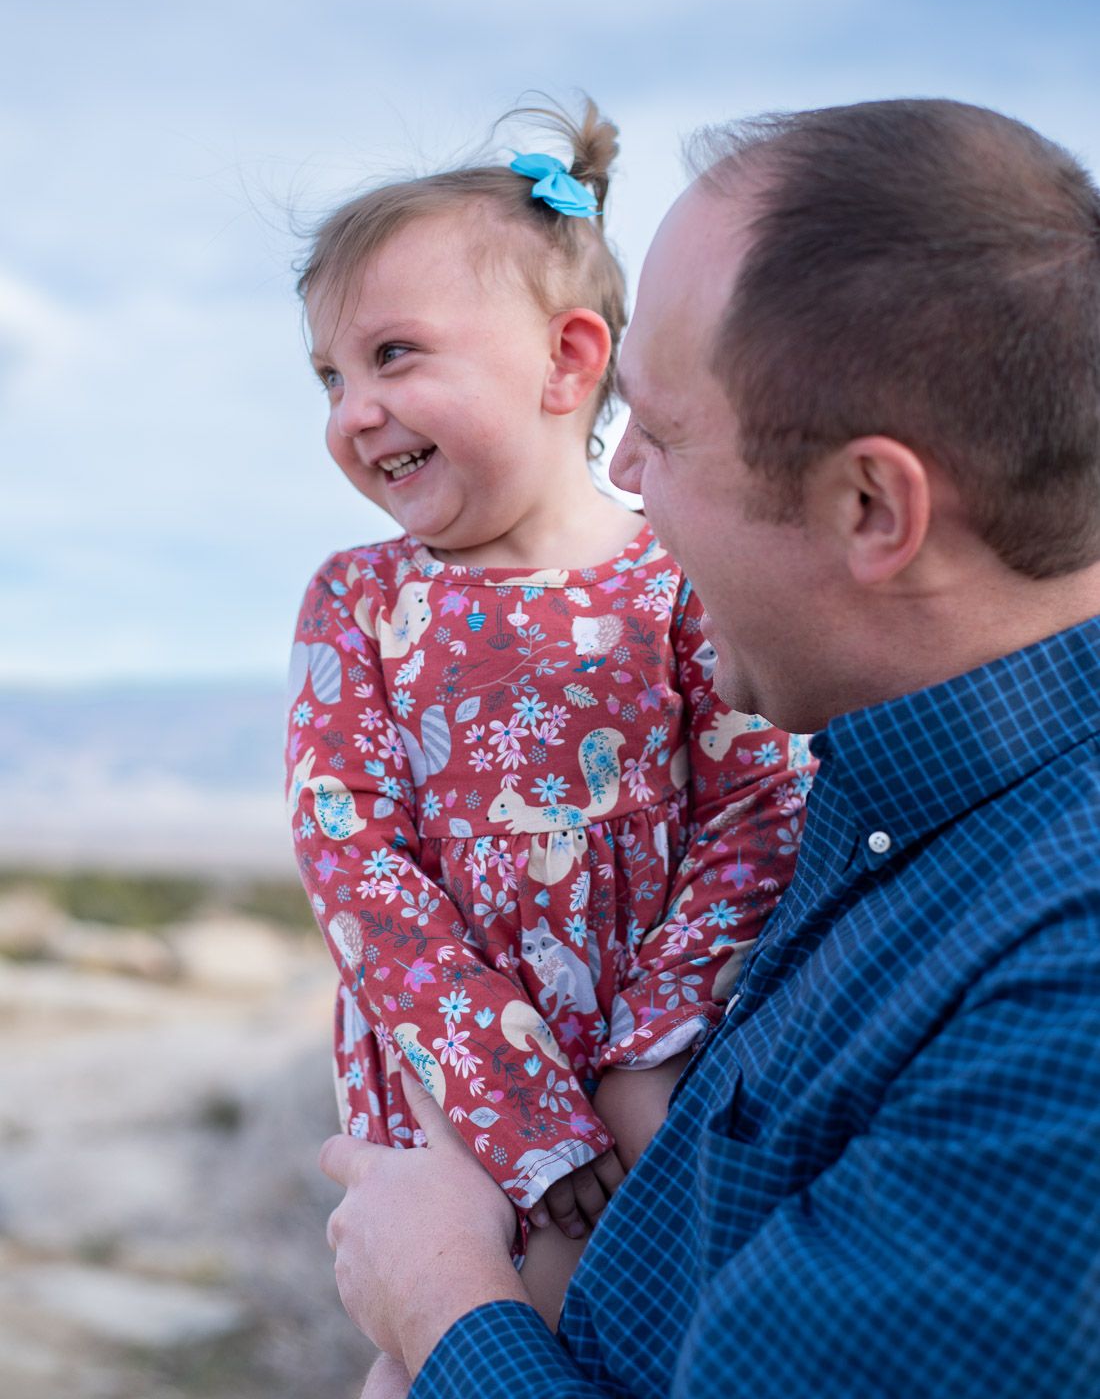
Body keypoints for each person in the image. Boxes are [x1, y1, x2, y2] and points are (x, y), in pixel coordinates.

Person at [319, 97, 1100, 1399]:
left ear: (871, 507)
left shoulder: (1062, 1002)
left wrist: (449, 1309)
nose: (619, 475)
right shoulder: (895, 819)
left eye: (664, 434)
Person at [286, 99, 811, 1393]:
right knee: (429, 1354)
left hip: (661, 1091)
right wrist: (517, 1107)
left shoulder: (674, 576)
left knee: (639, 1351)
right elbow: (356, 865)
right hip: (456, 1108)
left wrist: (645, 1048)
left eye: (394, 355)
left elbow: (756, 811)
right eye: (330, 377)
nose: (357, 410)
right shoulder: (361, 602)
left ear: (570, 361)